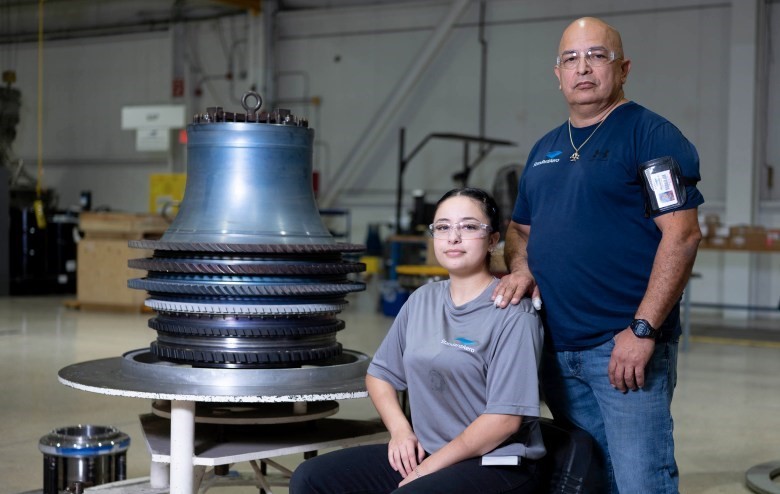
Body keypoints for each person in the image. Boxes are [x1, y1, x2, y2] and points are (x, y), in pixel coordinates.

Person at [492, 17, 704, 494]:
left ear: (623, 67)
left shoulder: (650, 134)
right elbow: (519, 230)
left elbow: (683, 236)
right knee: (588, 476)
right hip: (556, 350)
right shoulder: (545, 149)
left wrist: (643, 329)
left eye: (597, 55)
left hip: (623, 349)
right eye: (571, 58)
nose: (582, 67)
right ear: (558, 73)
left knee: (639, 481)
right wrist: (522, 268)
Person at [290, 187, 546, 494]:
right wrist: (400, 432)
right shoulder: (422, 300)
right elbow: (379, 376)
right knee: (311, 477)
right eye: (443, 227)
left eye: (468, 226)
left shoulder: (513, 313)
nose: (453, 237)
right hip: (430, 450)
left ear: (493, 240)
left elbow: (504, 421)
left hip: (494, 462)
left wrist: (428, 468)